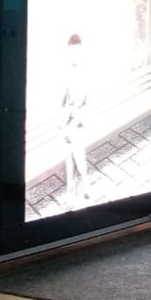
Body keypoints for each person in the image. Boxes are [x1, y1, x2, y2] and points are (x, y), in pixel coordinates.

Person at [62, 33, 90, 207]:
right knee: (71, 157)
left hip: (80, 122)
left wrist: (77, 120)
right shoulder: (66, 72)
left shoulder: (86, 73)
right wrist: (63, 124)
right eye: (72, 52)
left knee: (76, 155)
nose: (75, 55)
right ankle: (81, 187)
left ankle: (77, 189)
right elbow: (62, 101)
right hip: (67, 123)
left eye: (77, 51)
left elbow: (89, 102)